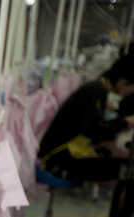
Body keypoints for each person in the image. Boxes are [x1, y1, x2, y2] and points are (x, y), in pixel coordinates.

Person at [39, 54, 134, 183]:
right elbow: (93, 131)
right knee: (123, 168)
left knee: (116, 161)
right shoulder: (95, 91)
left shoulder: (98, 89)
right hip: (55, 160)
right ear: (122, 81)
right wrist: (125, 123)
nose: (130, 94)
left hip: (63, 152)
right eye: (131, 89)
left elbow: (92, 128)